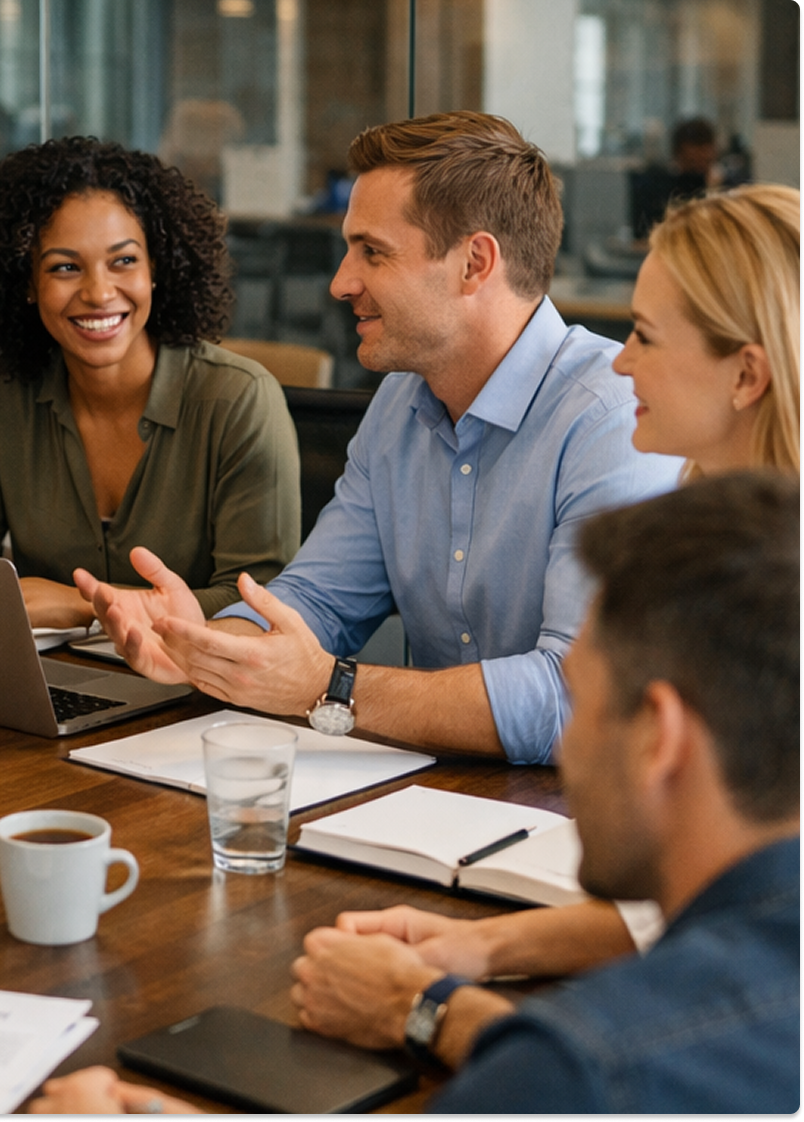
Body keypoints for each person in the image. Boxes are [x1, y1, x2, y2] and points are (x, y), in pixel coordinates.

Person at [34, 471, 800, 1115]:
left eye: (584, 704)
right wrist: (480, 958)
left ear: (659, 736)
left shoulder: (582, 1068)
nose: (567, 746)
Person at [275, 181, 803, 1065]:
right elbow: (728, 905)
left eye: (644, 335)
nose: (619, 361)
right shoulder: (711, 532)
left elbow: (706, 1036)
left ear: (745, 374)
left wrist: (432, 1012)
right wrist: (485, 948)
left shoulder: (757, 599)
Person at [78, 111, 681, 761]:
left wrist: (328, 688)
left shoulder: (611, 419)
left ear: (473, 263)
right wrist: (205, 646)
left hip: (573, 824)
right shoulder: (402, 399)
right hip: (420, 798)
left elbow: (574, 699)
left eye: (372, 251)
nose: (341, 283)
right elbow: (317, 599)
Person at [0, 137, 302, 627]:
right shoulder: (5, 395)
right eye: (65, 267)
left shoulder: (238, 400)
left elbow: (261, 603)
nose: (98, 292)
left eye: (123, 261)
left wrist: (85, 604)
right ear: (27, 284)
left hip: (200, 691)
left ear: (156, 267)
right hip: (46, 687)